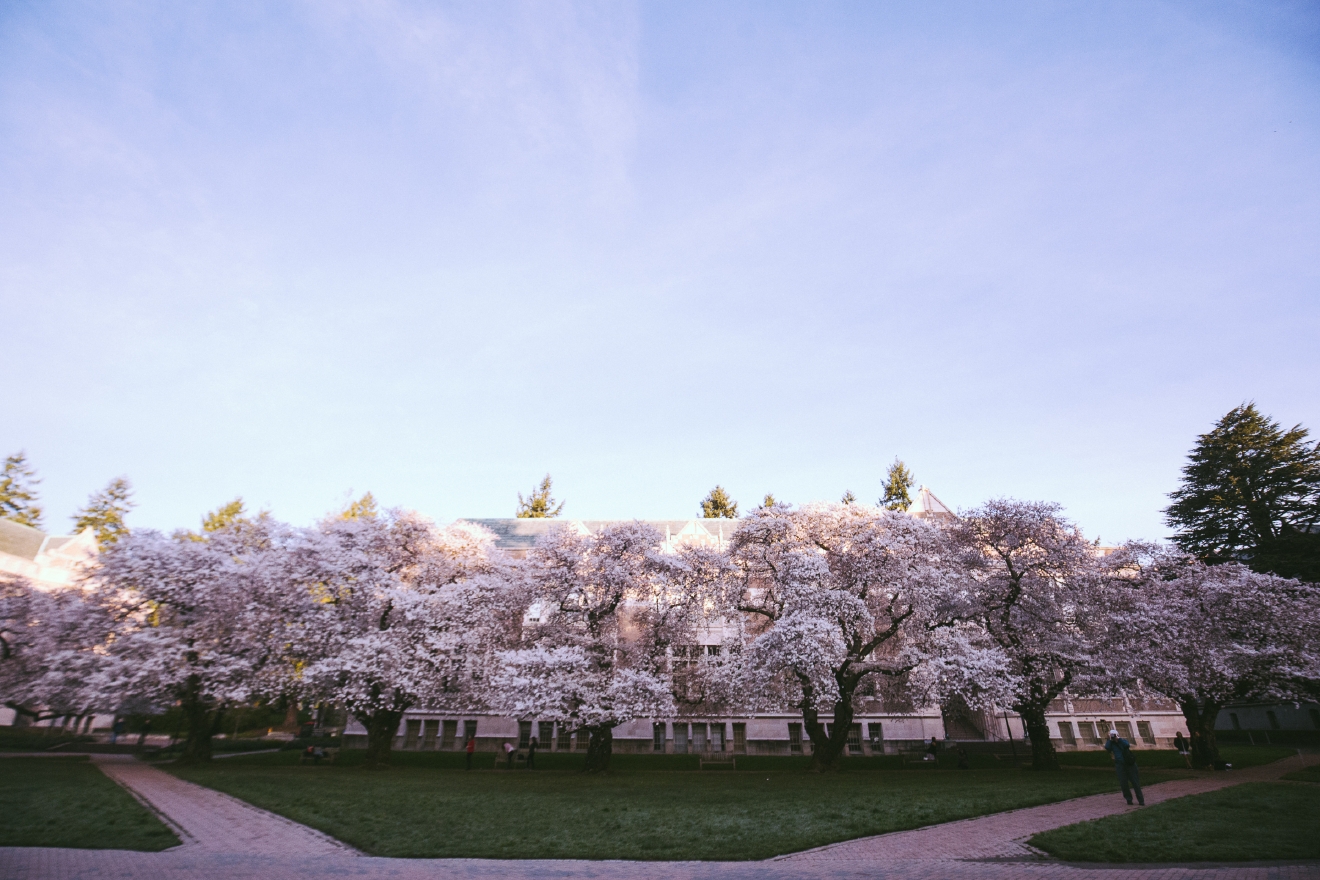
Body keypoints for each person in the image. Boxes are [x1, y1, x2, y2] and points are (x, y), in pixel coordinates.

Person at [1104, 729, 1144, 806]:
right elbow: (1107, 747)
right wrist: (1109, 739)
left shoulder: (1122, 741)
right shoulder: (1111, 744)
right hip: (1120, 765)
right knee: (1123, 783)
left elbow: (1127, 745)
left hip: (1129, 764)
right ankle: (1128, 799)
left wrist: (1118, 739)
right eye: (1112, 735)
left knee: (1135, 782)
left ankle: (1141, 800)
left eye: (1114, 735)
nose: (1113, 737)